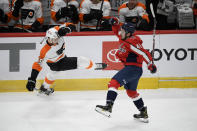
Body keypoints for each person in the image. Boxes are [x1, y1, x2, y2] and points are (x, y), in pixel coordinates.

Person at [95, 17, 157, 123]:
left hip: (132, 69)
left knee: (113, 83)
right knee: (131, 92)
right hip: (133, 70)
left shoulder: (131, 41)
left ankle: (108, 106)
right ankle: (143, 112)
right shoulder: (123, 37)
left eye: (123, 31)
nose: (120, 32)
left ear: (128, 33)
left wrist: (150, 64)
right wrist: (115, 23)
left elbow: (143, 53)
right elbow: (116, 30)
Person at [26, 22, 107, 95]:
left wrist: (67, 29)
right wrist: (32, 79)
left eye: (57, 38)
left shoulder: (57, 31)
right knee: (82, 60)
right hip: (57, 63)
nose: (56, 40)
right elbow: (38, 64)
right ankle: (95, 67)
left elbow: (71, 25)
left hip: (61, 57)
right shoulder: (44, 50)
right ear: (48, 38)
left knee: (52, 75)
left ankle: (44, 88)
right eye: (53, 39)